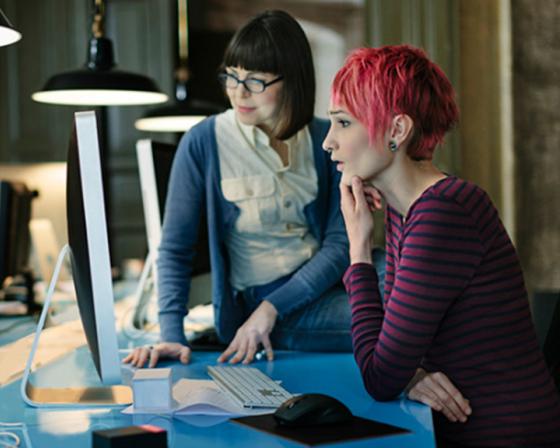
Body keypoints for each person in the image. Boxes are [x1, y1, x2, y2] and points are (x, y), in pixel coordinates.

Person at [324, 45, 560, 447]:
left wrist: (359, 248)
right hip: (460, 426)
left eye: (343, 123)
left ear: (397, 131)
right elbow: (393, 352)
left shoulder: (443, 213)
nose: (329, 142)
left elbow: (380, 377)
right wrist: (410, 373)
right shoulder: (409, 210)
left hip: (500, 434)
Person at [124, 10, 384, 369]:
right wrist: (171, 335)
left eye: (256, 81)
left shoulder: (326, 138)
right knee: (394, 318)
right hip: (267, 307)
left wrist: (270, 308)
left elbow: (341, 245)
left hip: (320, 282)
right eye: (232, 77)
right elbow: (174, 249)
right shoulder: (204, 142)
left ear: (291, 79)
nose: (239, 92)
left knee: (425, 281)